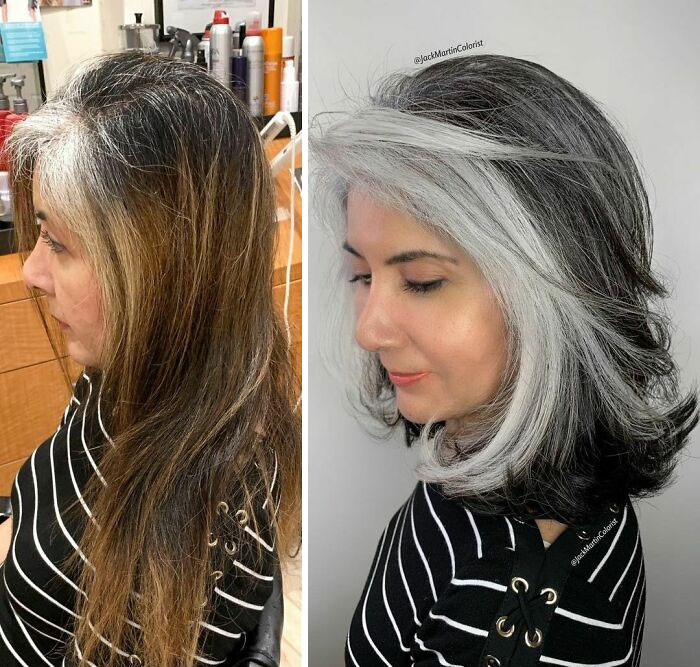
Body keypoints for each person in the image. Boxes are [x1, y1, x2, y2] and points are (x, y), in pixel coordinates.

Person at [311, 54, 698, 667]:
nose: (369, 331)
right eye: (362, 275)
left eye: (421, 281)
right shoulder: (465, 479)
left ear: (556, 297)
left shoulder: (545, 605)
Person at [0, 51, 300, 666]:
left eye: (58, 243)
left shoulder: (207, 529)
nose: (31, 272)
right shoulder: (120, 368)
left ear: (166, 271)